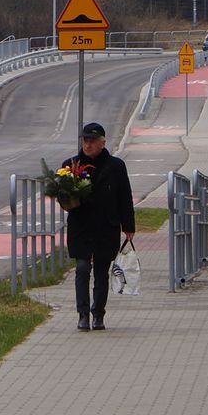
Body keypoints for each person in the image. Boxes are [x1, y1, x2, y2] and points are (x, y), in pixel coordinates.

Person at [61, 121, 136, 331]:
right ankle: (82, 314)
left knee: (102, 272)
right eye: (85, 140)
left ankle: (98, 314)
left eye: (92, 141)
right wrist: (68, 201)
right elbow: (62, 195)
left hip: (106, 227)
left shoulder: (116, 166)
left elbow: (125, 198)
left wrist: (128, 226)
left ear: (103, 142)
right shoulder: (70, 165)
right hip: (81, 226)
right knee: (82, 269)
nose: (88, 144)